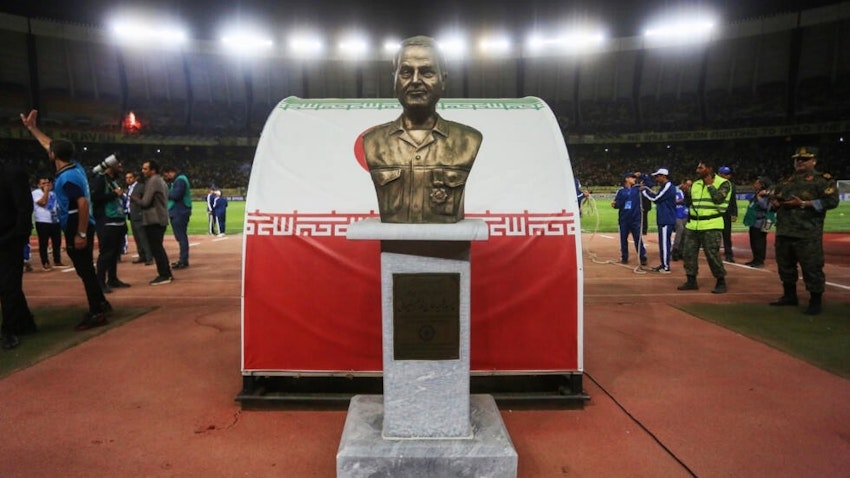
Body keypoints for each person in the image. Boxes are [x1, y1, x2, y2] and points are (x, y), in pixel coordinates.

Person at [363, 35, 482, 224]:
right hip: (395, 245)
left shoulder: (468, 140)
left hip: (447, 247)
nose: (416, 80)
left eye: (426, 72)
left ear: (443, 80)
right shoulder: (373, 142)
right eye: (406, 72)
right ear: (394, 80)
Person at [19, 109, 112, 330]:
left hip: (75, 223)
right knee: (85, 268)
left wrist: (79, 233)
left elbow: (82, 203)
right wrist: (33, 128)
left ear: (53, 155)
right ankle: (101, 303)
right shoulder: (75, 167)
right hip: (81, 223)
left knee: (84, 269)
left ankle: (97, 311)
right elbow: (49, 144)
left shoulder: (66, 177)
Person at [768, 146, 839, 315]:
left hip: (807, 233)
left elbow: (832, 202)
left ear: (814, 161)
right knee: (785, 266)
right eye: (797, 159)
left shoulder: (822, 180)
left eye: (804, 159)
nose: (799, 162)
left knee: (811, 267)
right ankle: (789, 296)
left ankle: (815, 301)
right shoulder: (786, 180)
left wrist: (804, 204)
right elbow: (776, 198)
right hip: (785, 231)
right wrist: (775, 203)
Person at [677, 161, 732, 294]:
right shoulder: (696, 184)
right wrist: (686, 192)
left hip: (711, 224)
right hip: (693, 225)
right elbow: (691, 203)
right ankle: (691, 280)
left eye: (700, 168)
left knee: (712, 255)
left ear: (709, 168)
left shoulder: (723, 183)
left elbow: (718, 199)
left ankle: (720, 281)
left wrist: (710, 186)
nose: (697, 170)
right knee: (688, 253)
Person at [0, 162, 37, 349]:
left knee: (9, 286)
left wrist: (17, 237)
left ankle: (9, 330)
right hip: (8, 238)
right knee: (9, 285)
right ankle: (25, 323)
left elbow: (24, 207)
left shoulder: (13, 172)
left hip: (8, 240)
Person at [91, 156, 130, 293]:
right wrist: (113, 194)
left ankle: (112, 279)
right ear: (110, 167)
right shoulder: (100, 180)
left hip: (117, 221)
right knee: (106, 253)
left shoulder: (112, 180)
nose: (121, 168)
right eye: (118, 165)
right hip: (107, 221)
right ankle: (100, 282)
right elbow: (94, 198)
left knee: (114, 253)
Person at [132, 160, 173, 285]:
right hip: (160, 218)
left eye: (145, 169)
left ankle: (164, 275)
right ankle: (166, 273)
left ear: (153, 170)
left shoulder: (153, 181)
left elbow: (145, 202)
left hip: (154, 219)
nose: (143, 171)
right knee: (158, 247)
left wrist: (134, 199)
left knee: (156, 248)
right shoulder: (160, 180)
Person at [641, 168, 677, 273]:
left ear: (663, 176)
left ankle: (666, 267)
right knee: (663, 243)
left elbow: (656, 199)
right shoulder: (664, 186)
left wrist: (644, 192)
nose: (656, 178)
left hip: (666, 218)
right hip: (663, 218)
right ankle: (663, 264)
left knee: (665, 244)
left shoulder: (668, 187)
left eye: (657, 176)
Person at [611, 172, 647, 266]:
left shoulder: (637, 189)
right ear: (627, 179)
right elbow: (618, 204)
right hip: (624, 219)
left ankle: (642, 257)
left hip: (635, 219)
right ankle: (624, 257)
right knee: (623, 239)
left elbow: (649, 184)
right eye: (632, 177)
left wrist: (642, 175)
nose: (634, 179)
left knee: (638, 239)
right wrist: (614, 205)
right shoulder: (621, 191)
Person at [32, 176, 65, 271]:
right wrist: (46, 191)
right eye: (43, 183)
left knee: (57, 242)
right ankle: (45, 262)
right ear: (38, 185)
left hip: (54, 221)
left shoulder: (53, 194)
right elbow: (42, 202)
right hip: (42, 221)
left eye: (47, 183)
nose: (46, 185)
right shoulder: (36, 193)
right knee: (43, 243)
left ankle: (57, 260)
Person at [163, 165, 192, 268]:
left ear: (171, 172)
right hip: (180, 210)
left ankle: (183, 260)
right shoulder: (180, 180)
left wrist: (164, 193)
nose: (166, 177)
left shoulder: (179, 180)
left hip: (179, 211)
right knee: (180, 236)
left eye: (166, 175)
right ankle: (183, 259)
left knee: (181, 236)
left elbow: (176, 195)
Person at [742, 176, 774, 268]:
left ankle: (759, 261)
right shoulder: (759, 193)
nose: (755, 184)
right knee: (754, 241)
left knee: (759, 242)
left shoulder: (765, 195)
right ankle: (756, 259)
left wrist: (759, 196)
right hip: (755, 221)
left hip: (761, 221)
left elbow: (764, 206)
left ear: (762, 185)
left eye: (757, 183)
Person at [126, 171, 153, 265]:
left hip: (139, 215)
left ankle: (149, 258)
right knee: (137, 237)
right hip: (132, 215)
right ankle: (142, 256)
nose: (128, 180)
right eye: (127, 178)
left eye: (130, 177)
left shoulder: (141, 187)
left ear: (135, 178)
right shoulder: (129, 188)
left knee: (143, 237)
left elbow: (145, 200)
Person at [718, 166, 738, 262]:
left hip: (726, 213)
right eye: (725, 174)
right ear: (720, 174)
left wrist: (734, 213)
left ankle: (728, 254)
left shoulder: (731, 185)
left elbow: (733, 200)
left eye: (728, 174)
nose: (728, 176)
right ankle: (714, 253)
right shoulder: (715, 184)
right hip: (716, 213)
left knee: (726, 234)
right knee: (715, 235)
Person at [672, 179, 691, 261]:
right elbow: (671, 201)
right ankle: (675, 250)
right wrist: (681, 201)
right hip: (676, 213)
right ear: (682, 183)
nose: (688, 187)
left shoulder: (688, 192)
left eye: (690, 185)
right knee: (680, 229)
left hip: (685, 213)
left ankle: (681, 251)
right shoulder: (674, 190)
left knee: (685, 232)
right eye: (687, 185)